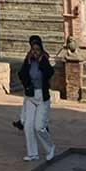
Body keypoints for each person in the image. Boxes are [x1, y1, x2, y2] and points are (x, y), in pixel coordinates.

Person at [18, 35, 56, 163]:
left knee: (39, 126)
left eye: (37, 50)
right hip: (31, 96)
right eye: (33, 49)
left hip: (42, 97)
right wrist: (27, 85)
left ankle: (50, 148)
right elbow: (21, 74)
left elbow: (50, 73)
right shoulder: (28, 60)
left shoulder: (44, 60)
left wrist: (41, 61)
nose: (35, 52)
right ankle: (32, 153)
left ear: (41, 50)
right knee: (28, 126)